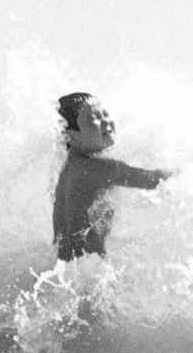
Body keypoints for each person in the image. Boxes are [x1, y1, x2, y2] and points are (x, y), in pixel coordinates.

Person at [52, 93, 173, 261]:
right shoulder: (100, 169)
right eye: (94, 118)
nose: (105, 121)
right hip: (87, 271)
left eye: (105, 114)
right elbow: (153, 180)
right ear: (70, 136)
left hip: (65, 266)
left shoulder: (70, 166)